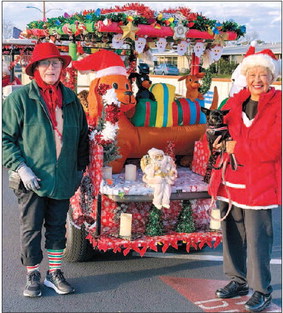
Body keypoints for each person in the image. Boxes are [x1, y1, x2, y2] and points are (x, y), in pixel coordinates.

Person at [2, 42, 89, 298]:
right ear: (35, 68)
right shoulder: (20, 99)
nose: (52, 67)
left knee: (56, 228)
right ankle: (32, 273)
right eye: (46, 63)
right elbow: (5, 138)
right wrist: (21, 167)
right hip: (31, 179)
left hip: (63, 179)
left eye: (56, 63)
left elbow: (82, 138)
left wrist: (78, 171)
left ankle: (54, 272)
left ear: (62, 67)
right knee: (31, 229)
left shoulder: (72, 99)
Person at [209, 49, 281, 312]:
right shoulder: (234, 102)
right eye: (252, 74)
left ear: (272, 76)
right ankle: (238, 281)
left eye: (263, 74)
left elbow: (274, 146)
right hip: (230, 179)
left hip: (260, 183)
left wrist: (235, 147)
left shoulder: (279, 103)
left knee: (258, 238)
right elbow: (219, 131)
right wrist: (214, 137)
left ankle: (262, 290)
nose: (257, 79)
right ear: (245, 76)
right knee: (232, 235)